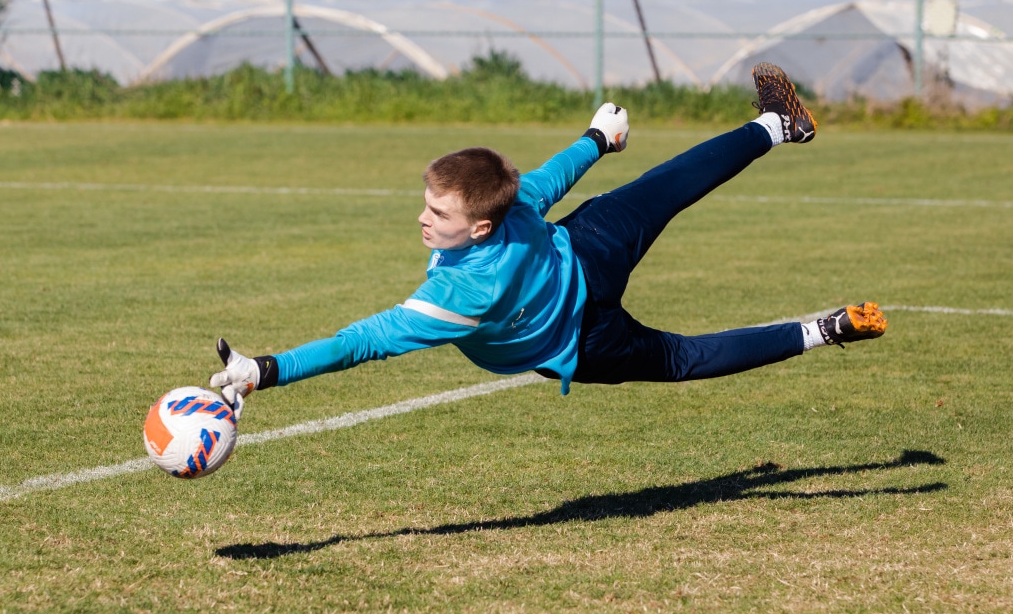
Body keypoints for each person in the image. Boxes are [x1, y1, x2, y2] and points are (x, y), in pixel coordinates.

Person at [210, 62, 887, 420]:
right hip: (585, 259)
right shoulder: (513, 206)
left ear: (480, 224)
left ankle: (819, 330)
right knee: (669, 186)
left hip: (577, 337)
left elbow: (357, 343)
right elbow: (541, 181)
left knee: (683, 357)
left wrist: (266, 369)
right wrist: (597, 139)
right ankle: (776, 126)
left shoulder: (453, 295)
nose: (422, 220)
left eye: (436, 213)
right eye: (425, 204)